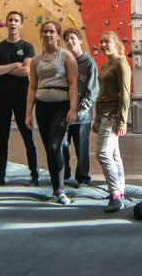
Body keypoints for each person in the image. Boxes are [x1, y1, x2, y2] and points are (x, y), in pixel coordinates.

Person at [26, 21, 79, 205]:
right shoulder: (36, 60)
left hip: (61, 107)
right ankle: (56, 189)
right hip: (42, 107)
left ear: (58, 35)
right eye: (45, 31)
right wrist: (28, 114)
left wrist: (73, 108)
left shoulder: (66, 56)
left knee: (56, 146)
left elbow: (73, 84)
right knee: (49, 148)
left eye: (52, 31)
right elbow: (32, 87)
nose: (48, 34)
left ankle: (61, 190)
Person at [0, 10, 39, 186]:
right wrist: (15, 64)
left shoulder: (27, 47)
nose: (13, 23)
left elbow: (26, 71)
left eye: (16, 20)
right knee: (2, 139)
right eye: (10, 20)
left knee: (28, 137)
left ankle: (35, 175)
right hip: (2, 98)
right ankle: (0, 176)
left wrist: (5, 68)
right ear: (6, 23)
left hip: (22, 99)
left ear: (21, 25)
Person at [93, 31, 132, 212]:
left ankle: (115, 194)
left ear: (116, 43)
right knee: (114, 155)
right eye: (101, 42)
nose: (103, 45)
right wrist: (96, 118)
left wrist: (123, 121)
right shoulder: (105, 65)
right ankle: (120, 189)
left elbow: (125, 94)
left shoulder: (122, 64)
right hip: (102, 114)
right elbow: (103, 93)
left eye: (107, 41)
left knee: (103, 153)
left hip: (113, 115)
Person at [61, 28, 98, 188]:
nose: (70, 42)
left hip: (82, 116)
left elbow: (92, 91)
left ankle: (82, 178)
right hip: (64, 113)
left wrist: (79, 110)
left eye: (73, 38)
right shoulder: (64, 61)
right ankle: (64, 174)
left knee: (82, 148)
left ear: (80, 41)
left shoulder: (89, 62)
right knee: (62, 145)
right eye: (67, 39)